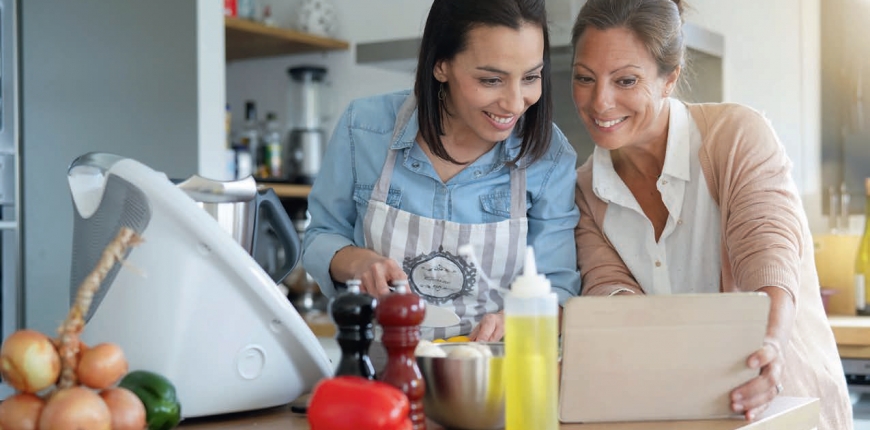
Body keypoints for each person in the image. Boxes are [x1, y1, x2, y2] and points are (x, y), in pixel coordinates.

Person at [569, 0, 852, 428]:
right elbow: (610, 295)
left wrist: (770, 345)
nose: (600, 101)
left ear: (670, 78)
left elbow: (768, 254)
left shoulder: (735, 136)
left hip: (788, 409)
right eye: (584, 78)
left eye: (625, 80)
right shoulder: (585, 191)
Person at [302, 0, 580, 342]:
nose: (513, 102)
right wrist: (358, 262)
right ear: (440, 65)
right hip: (379, 365)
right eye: (491, 79)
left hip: (494, 368)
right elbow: (320, 236)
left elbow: (559, 289)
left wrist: (521, 320)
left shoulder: (549, 156)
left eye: (531, 77)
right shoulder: (364, 129)